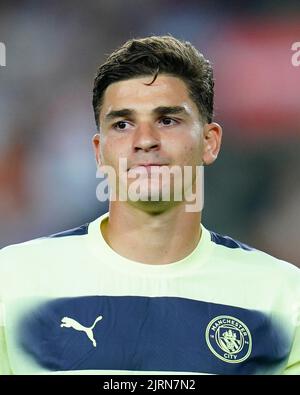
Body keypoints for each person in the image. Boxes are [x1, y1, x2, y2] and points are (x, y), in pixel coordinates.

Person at [0, 35, 299, 375]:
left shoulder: (282, 297)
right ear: (99, 151)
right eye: (123, 124)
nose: (144, 140)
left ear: (209, 142)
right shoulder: (12, 281)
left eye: (167, 120)